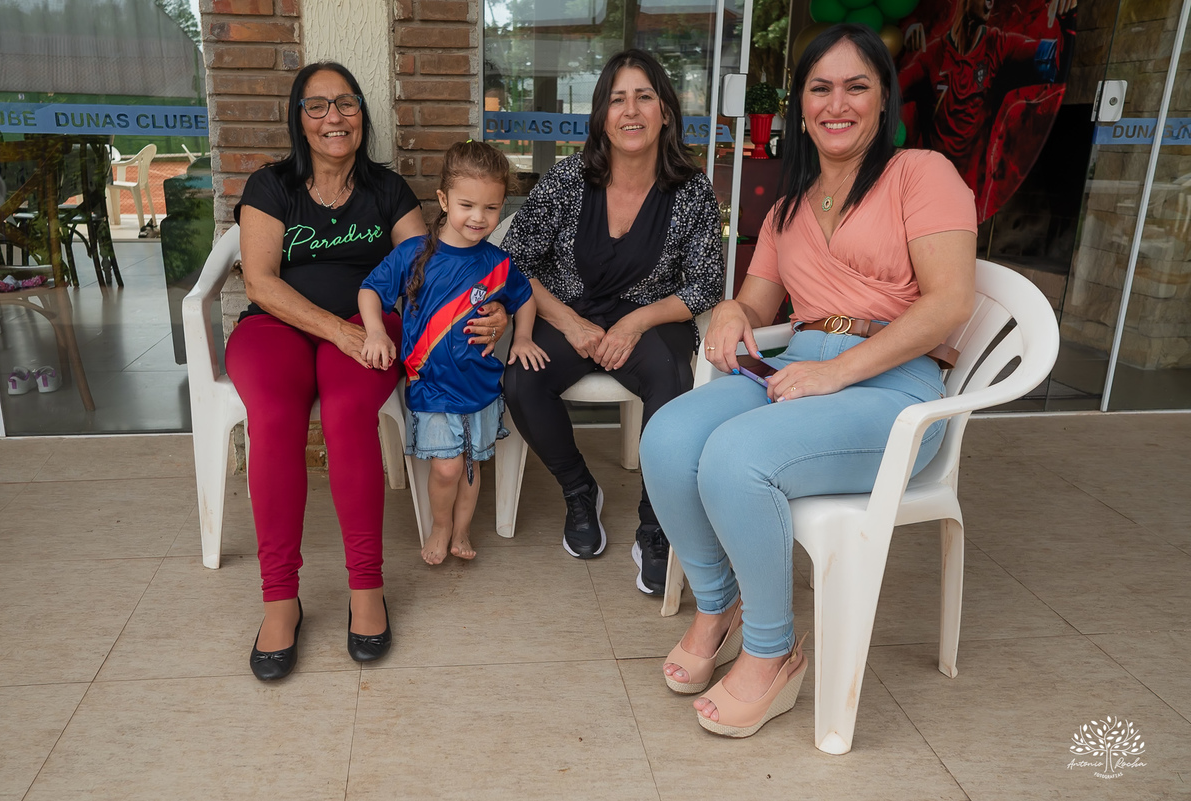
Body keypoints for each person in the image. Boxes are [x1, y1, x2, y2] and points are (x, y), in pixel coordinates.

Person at [639, 24, 977, 737]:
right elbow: (756, 304)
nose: (837, 103)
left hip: (893, 389)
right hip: (798, 368)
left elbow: (949, 302)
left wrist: (838, 371)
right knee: (667, 436)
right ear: (799, 105)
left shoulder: (921, 174)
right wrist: (731, 312)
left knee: (736, 458)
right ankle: (719, 604)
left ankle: (772, 652)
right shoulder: (788, 206)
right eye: (820, 88)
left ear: (883, 98)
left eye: (857, 86)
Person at [227, 62, 507, 681]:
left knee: (349, 415)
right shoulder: (272, 185)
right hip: (278, 327)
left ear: (362, 113)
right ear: (299, 117)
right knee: (273, 418)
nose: (334, 117)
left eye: (346, 103)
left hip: (370, 332)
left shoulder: (387, 190)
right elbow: (261, 283)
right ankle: (280, 599)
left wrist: (494, 311)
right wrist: (338, 330)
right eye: (317, 105)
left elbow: (434, 267)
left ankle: (366, 588)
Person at [501, 49, 724, 596]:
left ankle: (657, 524)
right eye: (618, 99)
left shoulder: (691, 189)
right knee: (521, 380)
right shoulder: (568, 179)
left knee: (671, 377)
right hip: (570, 312)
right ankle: (579, 491)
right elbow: (512, 262)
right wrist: (569, 323)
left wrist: (638, 322)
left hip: (651, 318)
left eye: (644, 97)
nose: (631, 111)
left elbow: (705, 284)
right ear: (602, 115)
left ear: (665, 111)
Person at [359, 141, 543, 565]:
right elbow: (370, 290)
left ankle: (462, 530)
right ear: (443, 200)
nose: (479, 217)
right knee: (447, 468)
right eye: (467, 205)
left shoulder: (498, 263)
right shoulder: (412, 253)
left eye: (491, 208)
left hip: (480, 388)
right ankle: (440, 527)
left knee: (472, 466)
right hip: (432, 388)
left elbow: (525, 297)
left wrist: (522, 337)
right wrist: (375, 332)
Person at [898, 0, 1076, 217]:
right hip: (927, 195)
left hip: (971, 201)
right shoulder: (931, 56)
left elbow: (1056, 64)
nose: (991, 2)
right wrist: (903, 47)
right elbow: (886, 95)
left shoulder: (1000, 46)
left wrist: (1068, 21)